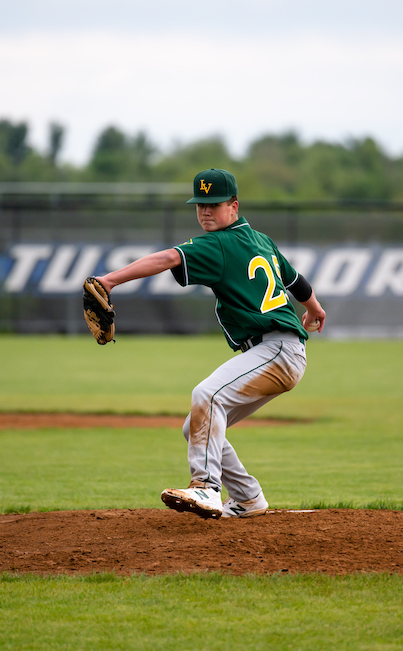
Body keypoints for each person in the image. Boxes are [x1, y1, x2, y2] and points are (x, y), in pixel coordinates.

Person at [94, 168, 326, 519]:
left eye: (213, 204)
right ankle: (249, 498)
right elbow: (296, 281)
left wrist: (109, 280)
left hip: (276, 350)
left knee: (208, 395)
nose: (205, 211)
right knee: (196, 426)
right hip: (281, 352)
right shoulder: (261, 239)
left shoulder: (217, 244)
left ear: (233, 206)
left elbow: (168, 258)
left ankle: (205, 487)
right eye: (199, 204)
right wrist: (315, 308)